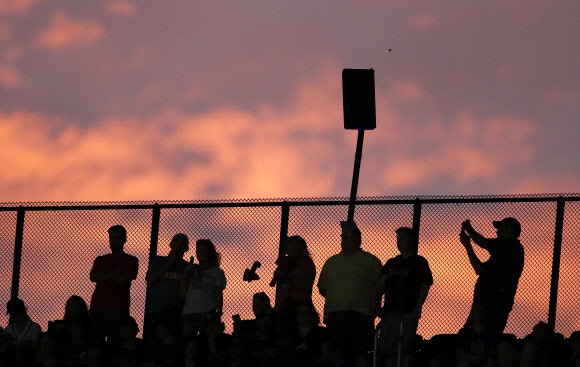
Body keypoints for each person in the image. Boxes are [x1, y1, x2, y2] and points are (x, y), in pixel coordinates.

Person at [317, 220, 383, 367]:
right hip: (336, 314)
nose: (346, 239)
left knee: (360, 353)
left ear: (358, 239)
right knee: (337, 353)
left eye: (350, 236)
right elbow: (322, 288)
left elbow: (381, 284)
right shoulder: (331, 262)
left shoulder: (370, 261)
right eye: (343, 236)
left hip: (361, 314)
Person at [376, 226, 433, 367]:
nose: (399, 241)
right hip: (389, 311)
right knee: (388, 347)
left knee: (406, 347)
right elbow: (380, 285)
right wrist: (374, 301)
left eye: (403, 238)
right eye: (398, 238)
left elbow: (425, 284)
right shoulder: (391, 263)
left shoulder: (419, 262)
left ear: (411, 240)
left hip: (407, 310)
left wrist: (418, 307)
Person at [460, 217, 525, 335]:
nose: (497, 231)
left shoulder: (511, 246)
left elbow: (484, 243)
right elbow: (479, 269)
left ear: (511, 230)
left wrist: (469, 230)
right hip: (484, 299)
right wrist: (467, 246)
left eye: (502, 228)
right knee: (473, 333)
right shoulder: (500, 255)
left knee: (485, 333)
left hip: (495, 299)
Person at [88, 224, 139, 344]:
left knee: (115, 344)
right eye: (112, 238)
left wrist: (104, 276)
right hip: (98, 308)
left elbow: (123, 281)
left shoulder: (131, 260)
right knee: (95, 343)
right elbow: (93, 276)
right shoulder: (100, 259)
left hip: (119, 308)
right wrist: (116, 272)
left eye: (118, 238)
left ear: (124, 239)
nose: (114, 241)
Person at [145, 233, 190, 341]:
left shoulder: (187, 266)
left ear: (186, 248)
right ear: (171, 244)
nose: (179, 245)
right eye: (177, 242)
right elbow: (150, 280)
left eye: (182, 243)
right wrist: (169, 263)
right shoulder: (159, 260)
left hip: (176, 311)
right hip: (156, 310)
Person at [179, 239, 226, 339]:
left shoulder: (217, 272)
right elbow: (182, 293)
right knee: (187, 342)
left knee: (207, 341)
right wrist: (186, 274)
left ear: (209, 253)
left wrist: (219, 314)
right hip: (189, 312)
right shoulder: (192, 269)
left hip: (207, 312)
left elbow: (218, 294)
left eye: (203, 250)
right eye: (198, 251)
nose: (199, 253)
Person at [271, 235, 316, 319]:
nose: (289, 249)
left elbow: (307, 285)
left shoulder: (306, 263)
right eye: (288, 246)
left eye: (293, 247)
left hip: (299, 305)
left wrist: (288, 279)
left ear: (300, 248)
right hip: (282, 306)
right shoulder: (284, 262)